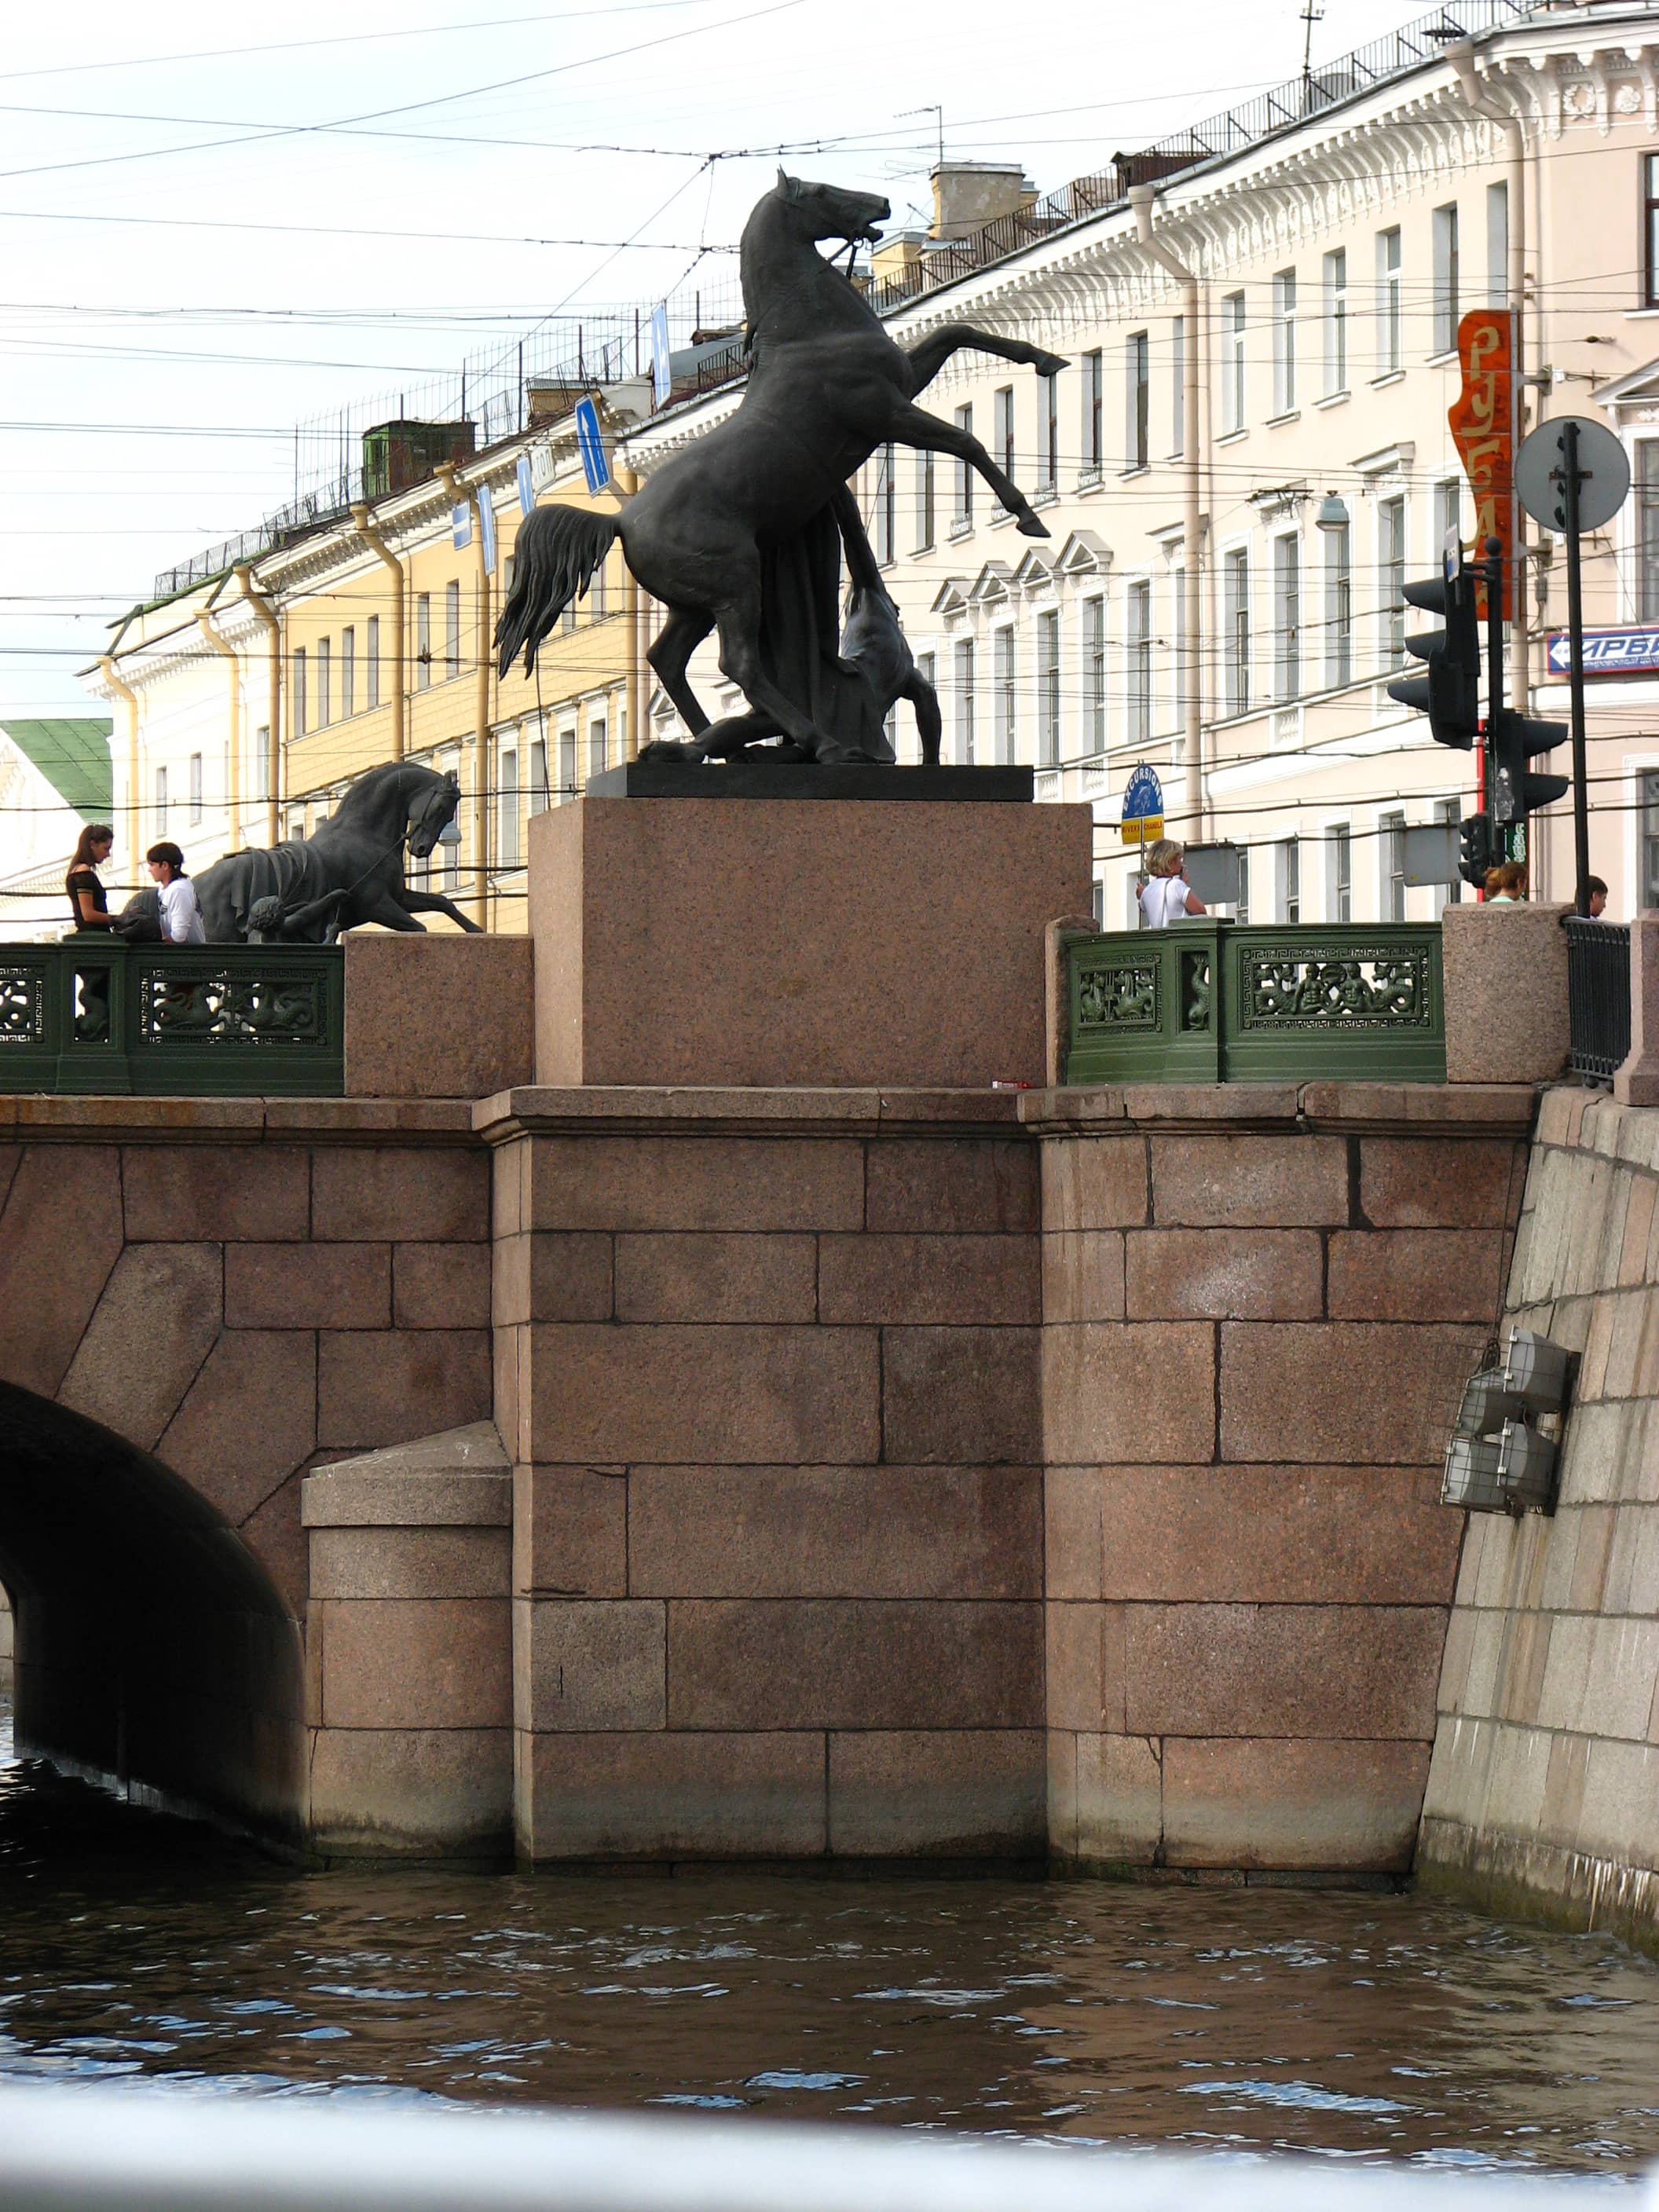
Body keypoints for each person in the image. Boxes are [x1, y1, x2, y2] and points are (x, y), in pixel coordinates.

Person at [1138, 838, 1207, 928]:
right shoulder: (1176, 885)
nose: (1181, 864)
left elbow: (1142, 905)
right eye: (1179, 859)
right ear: (1170, 863)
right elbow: (1201, 912)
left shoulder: (1147, 891)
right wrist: (1184, 886)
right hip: (1179, 938)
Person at [146, 842, 207, 944]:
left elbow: (179, 937)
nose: (149, 870)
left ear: (165, 865)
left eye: (152, 865)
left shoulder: (179, 890)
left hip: (187, 956)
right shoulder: (166, 889)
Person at [64, 823, 117, 932]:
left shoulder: (76, 870)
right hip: (94, 936)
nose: (108, 854)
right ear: (92, 844)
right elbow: (88, 914)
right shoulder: (83, 872)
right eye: (106, 848)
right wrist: (117, 919)